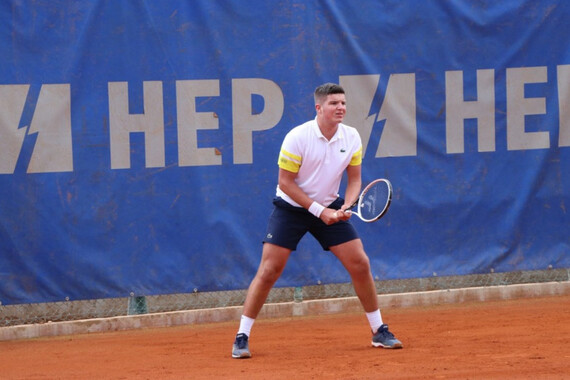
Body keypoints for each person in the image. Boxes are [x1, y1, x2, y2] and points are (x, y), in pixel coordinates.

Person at [232, 83, 402, 359]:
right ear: (319, 108)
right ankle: (242, 336)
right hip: (292, 207)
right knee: (270, 269)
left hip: (330, 203)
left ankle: (379, 330)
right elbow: (285, 183)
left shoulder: (352, 137)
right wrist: (319, 211)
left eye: (344, 103)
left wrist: (347, 205)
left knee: (360, 263)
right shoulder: (297, 137)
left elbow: (355, 178)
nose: (341, 108)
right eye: (334, 103)